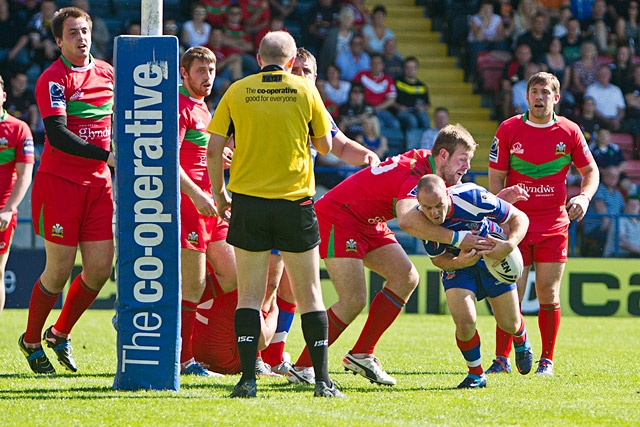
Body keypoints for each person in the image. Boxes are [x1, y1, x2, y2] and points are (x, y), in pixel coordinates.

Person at [285, 124, 499, 386]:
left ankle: (362, 353)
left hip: (368, 221)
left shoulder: (429, 169)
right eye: (462, 159)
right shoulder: (417, 173)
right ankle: (303, 366)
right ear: (443, 155)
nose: (466, 166)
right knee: (353, 300)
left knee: (406, 277)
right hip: (340, 217)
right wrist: (458, 239)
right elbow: (408, 220)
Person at [206, 31, 343, 398]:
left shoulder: (237, 90)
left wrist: (220, 193)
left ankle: (248, 380)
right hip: (294, 204)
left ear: (258, 55)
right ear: (290, 60)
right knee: (311, 294)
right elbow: (326, 146)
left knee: (248, 297)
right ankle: (322, 382)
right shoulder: (305, 90)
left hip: (248, 203)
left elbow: (214, 147)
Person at [18, 6, 115, 374]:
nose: (82, 37)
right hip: (60, 185)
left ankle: (59, 333)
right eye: (73, 32)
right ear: (59, 40)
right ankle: (30, 341)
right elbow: (57, 133)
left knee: (99, 271)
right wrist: (107, 156)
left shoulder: (107, 72)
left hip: (98, 187)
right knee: (58, 272)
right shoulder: (52, 78)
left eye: (85, 30)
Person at [488, 71, 599, 375]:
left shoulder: (570, 131)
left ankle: (546, 361)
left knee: (548, 293)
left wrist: (584, 198)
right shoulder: (509, 129)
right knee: (509, 291)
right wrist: (502, 208)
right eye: (534, 91)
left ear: (556, 97)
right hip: (516, 225)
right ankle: (502, 358)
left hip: (554, 225)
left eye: (545, 92)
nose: (539, 97)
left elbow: (591, 172)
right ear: (526, 97)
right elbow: (496, 176)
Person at [416, 174, 533, 389]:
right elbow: (439, 260)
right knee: (465, 321)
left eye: (439, 205)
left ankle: (520, 334)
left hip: (493, 257)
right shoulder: (419, 220)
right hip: (459, 266)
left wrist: (509, 244)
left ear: (447, 195)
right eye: (427, 207)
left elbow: (520, 218)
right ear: (419, 203)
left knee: (509, 323)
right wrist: (459, 262)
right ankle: (476, 374)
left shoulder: (473, 196)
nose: (434, 213)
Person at [176, 46, 238, 377]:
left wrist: (223, 159)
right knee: (194, 285)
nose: (207, 77)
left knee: (232, 275)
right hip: (190, 203)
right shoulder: (180, 107)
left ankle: (169, 307)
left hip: (211, 205)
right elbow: (168, 159)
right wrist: (198, 193)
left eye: (211, 70)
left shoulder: (205, 109)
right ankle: (185, 361)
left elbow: (201, 154)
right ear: (184, 73)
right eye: (200, 70)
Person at [0, 74, 34, 314]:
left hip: (2, 212)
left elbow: (24, 175)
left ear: (3, 96)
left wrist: (9, 208)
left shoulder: (18, 129)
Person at [581, 165, 626, 257]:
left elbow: (624, 211)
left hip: (614, 228)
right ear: (604, 175)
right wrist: (609, 224)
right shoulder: (598, 189)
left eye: (616, 176)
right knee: (613, 235)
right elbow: (602, 210)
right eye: (610, 175)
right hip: (596, 228)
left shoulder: (618, 194)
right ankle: (609, 257)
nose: (613, 178)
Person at [352, 53, 401, 131]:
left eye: (378, 63)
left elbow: (391, 100)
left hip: (381, 110)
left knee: (395, 124)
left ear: (382, 65)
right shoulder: (362, 75)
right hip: (364, 110)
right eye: (373, 63)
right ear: (370, 64)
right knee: (379, 125)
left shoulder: (388, 79)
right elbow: (353, 92)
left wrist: (375, 109)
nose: (376, 65)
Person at [584, 64, 626, 132]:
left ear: (610, 75)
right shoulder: (591, 89)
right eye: (602, 73)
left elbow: (621, 109)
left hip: (615, 120)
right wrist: (608, 120)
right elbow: (591, 108)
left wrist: (616, 120)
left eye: (606, 73)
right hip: (599, 119)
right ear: (597, 75)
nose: (604, 75)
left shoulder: (616, 90)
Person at [394, 56, 431, 131]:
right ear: (404, 69)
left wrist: (422, 108)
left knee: (425, 119)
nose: (410, 70)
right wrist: (399, 107)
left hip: (417, 111)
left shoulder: (422, 86)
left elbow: (427, 105)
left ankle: (426, 140)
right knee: (412, 120)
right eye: (408, 67)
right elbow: (391, 100)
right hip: (402, 112)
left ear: (416, 69)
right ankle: (412, 142)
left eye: (413, 67)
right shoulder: (397, 83)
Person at [604, 191, 640, 257]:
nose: (634, 207)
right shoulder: (619, 220)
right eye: (631, 204)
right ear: (626, 206)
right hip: (619, 255)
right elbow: (622, 243)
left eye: (637, 204)